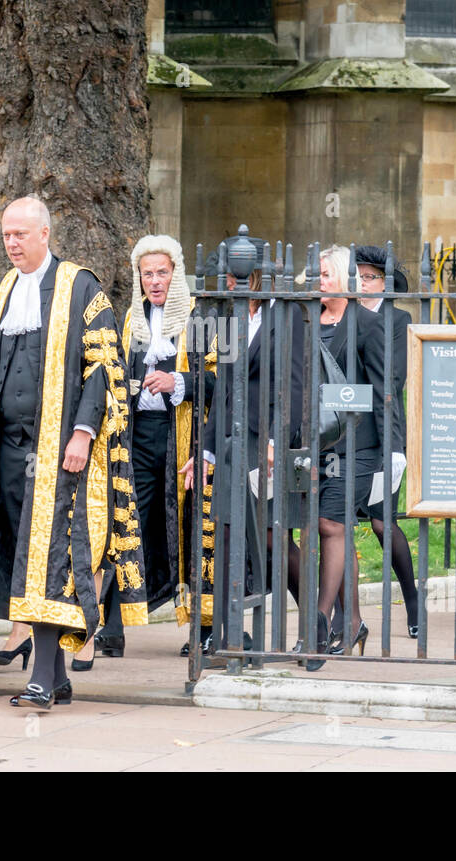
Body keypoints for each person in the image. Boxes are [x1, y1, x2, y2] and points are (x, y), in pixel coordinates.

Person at [0, 196, 147, 710]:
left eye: (20, 234)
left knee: (52, 561)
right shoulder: (2, 290)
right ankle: (57, 678)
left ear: (45, 233)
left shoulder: (81, 286)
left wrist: (84, 432)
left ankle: (43, 676)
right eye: (6, 235)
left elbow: (105, 367)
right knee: (25, 559)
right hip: (8, 449)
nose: (12, 244)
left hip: (60, 449)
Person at [94, 234, 213, 659]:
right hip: (137, 434)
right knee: (125, 521)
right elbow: (113, 372)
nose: (155, 281)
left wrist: (177, 382)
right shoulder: (130, 320)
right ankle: (112, 626)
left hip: (181, 434)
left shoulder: (199, 319)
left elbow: (220, 382)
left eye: (163, 272)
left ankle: (204, 626)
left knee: (190, 524)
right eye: (148, 273)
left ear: (176, 274)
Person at [190, 233, 307, 657]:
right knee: (224, 533)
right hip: (229, 443)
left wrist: (277, 438)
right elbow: (221, 387)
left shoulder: (286, 314)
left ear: (254, 273)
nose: (228, 281)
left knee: (273, 537)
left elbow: (293, 384)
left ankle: (314, 619)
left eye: (235, 273)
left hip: (266, 444)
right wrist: (205, 449)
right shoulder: (231, 315)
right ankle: (231, 635)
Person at [313, 247, 418, 663]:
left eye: (371, 277)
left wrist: (393, 451)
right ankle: (349, 620)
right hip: (323, 445)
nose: (364, 282)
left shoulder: (389, 322)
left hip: (368, 442)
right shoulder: (312, 318)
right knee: (335, 528)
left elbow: (385, 387)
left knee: (377, 523)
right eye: (360, 275)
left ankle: (410, 601)